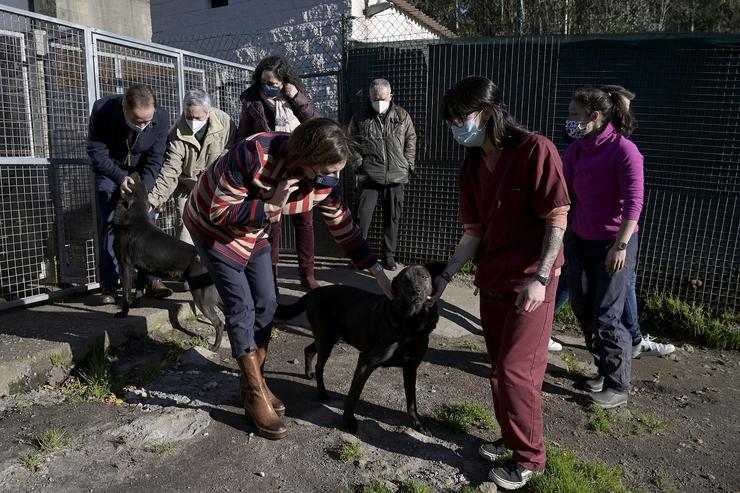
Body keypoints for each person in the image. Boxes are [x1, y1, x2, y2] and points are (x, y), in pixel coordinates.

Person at [183, 118, 392, 440]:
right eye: (328, 170)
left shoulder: (323, 183)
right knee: (241, 307)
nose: (334, 178)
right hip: (212, 227)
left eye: (339, 170)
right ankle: (254, 394)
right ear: (304, 159)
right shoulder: (254, 154)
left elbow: (342, 224)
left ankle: (256, 380)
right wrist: (271, 205)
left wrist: (377, 271)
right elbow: (218, 212)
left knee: (267, 302)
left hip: (255, 231)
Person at [432, 76, 570, 490]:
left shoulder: (534, 150)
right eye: (451, 122)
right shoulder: (472, 166)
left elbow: (557, 216)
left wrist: (541, 277)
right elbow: (473, 231)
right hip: (493, 279)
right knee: (498, 370)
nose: (455, 128)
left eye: (459, 119)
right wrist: (445, 275)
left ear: (486, 113)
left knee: (514, 373)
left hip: (531, 283)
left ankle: (530, 458)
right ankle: (511, 436)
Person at [562, 84, 644, 410]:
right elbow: (566, 194)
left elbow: (634, 204)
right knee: (583, 308)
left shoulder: (625, 151)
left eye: (574, 115)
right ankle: (602, 368)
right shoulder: (577, 150)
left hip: (615, 242)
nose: (569, 120)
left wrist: (620, 245)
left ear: (594, 116)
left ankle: (617, 384)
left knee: (608, 315)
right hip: (580, 238)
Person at [236, 55, 322, 291]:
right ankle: (270, 279)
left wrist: (297, 97)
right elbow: (243, 135)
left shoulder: (296, 96)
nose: (269, 87)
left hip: (298, 166)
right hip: (267, 171)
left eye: (274, 83)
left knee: (304, 222)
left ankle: (307, 275)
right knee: (271, 224)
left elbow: (315, 122)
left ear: (284, 81)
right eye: (265, 81)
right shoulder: (250, 99)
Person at [87, 84, 171, 304]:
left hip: (140, 172)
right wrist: (118, 177)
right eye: (137, 121)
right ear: (124, 109)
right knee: (109, 225)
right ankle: (109, 286)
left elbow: (156, 158)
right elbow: (96, 152)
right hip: (110, 169)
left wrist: (144, 188)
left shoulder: (161, 118)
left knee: (147, 223)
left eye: (147, 121)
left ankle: (152, 281)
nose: (143, 126)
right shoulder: (103, 110)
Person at [147, 89, 235, 243]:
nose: (192, 121)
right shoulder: (176, 134)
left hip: (216, 183)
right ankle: (187, 262)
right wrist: (153, 200)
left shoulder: (224, 122)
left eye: (197, 117)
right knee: (185, 224)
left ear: (208, 113)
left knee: (218, 223)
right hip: (186, 186)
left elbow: (231, 150)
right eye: (188, 116)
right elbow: (170, 170)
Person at [348, 78, 417, 271]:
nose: (378, 101)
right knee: (362, 218)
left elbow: (411, 138)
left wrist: (408, 164)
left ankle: (389, 256)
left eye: (382, 98)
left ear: (390, 96)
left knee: (392, 217)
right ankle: (359, 257)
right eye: (375, 98)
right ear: (369, 97)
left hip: (396, 176)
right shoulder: (360, 117)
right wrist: (358, 165)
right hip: (369, 176)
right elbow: (350, 142)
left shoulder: (402, 116)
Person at [553, 270, 675, 357]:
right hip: (602, 239)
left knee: (573, 275)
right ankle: (633, 340)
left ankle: (539, 328)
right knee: (574, 274)